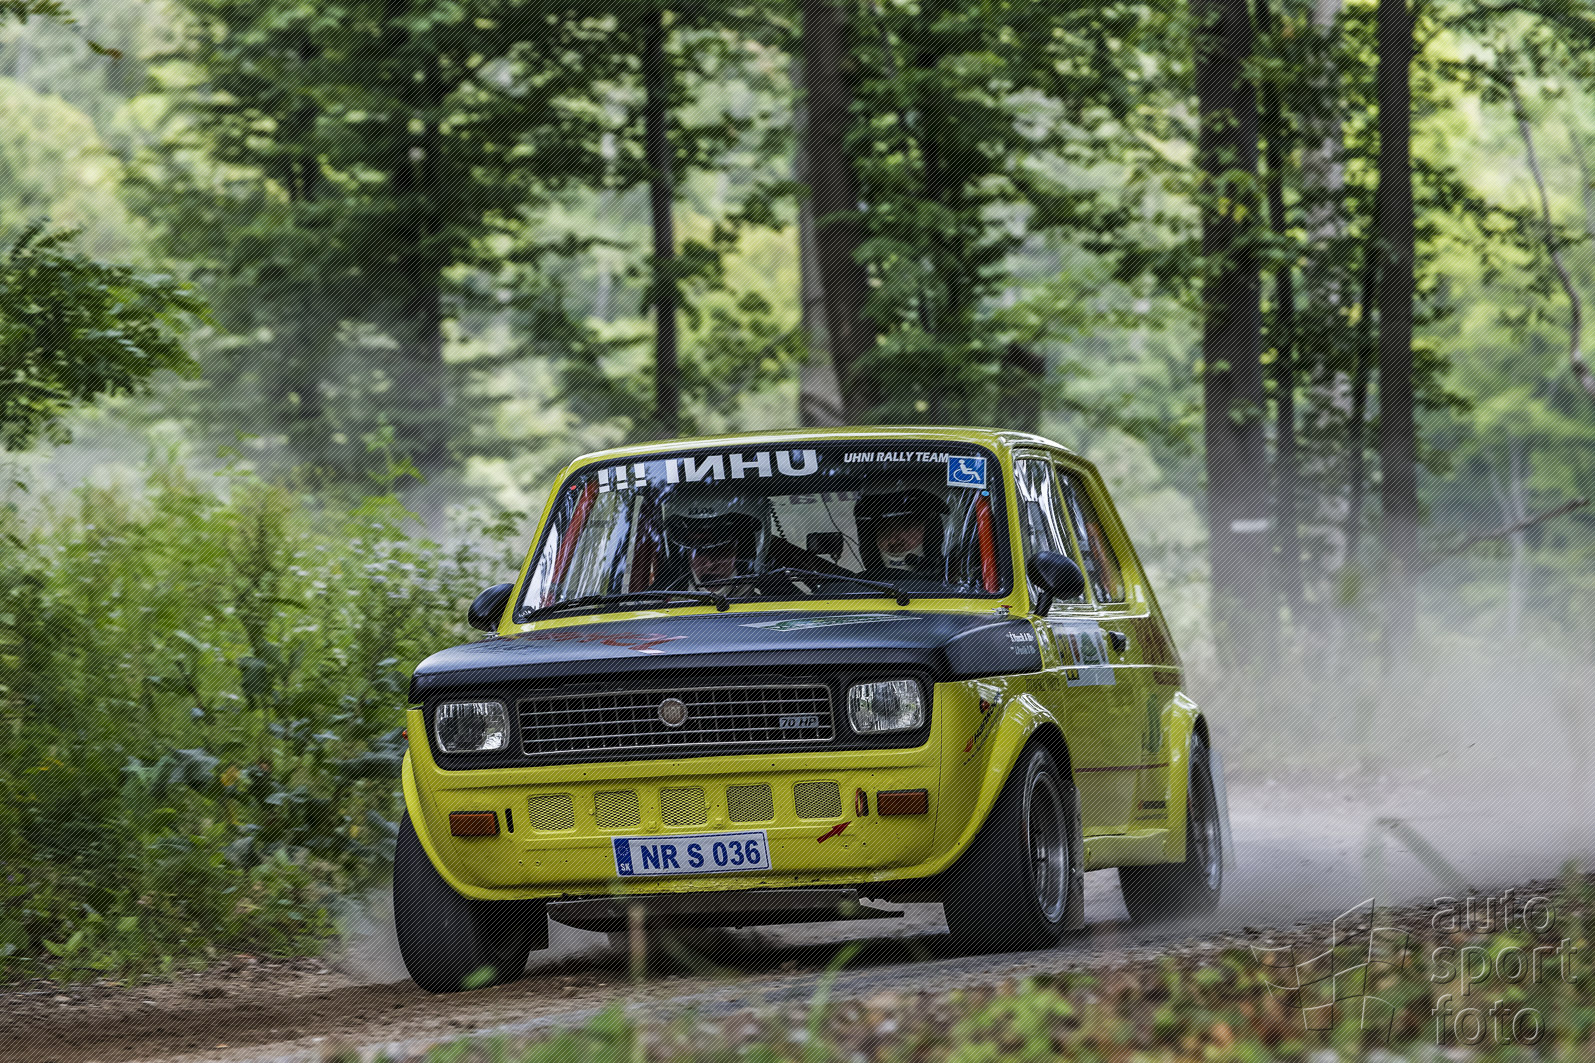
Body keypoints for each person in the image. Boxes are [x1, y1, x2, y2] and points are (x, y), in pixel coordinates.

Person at [663, 497, 764, 595]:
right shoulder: (662, 601)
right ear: (686, 557)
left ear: (743, 551)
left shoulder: (770, 599)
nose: (710, 564)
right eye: (699, 551)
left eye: (721, 550)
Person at [854, 488, 948, 581]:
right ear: (870, 539)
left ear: (931, 533)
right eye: (884, 528)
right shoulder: (856, 586)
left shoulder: (952, 584)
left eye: (907, 526)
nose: (893, 540)